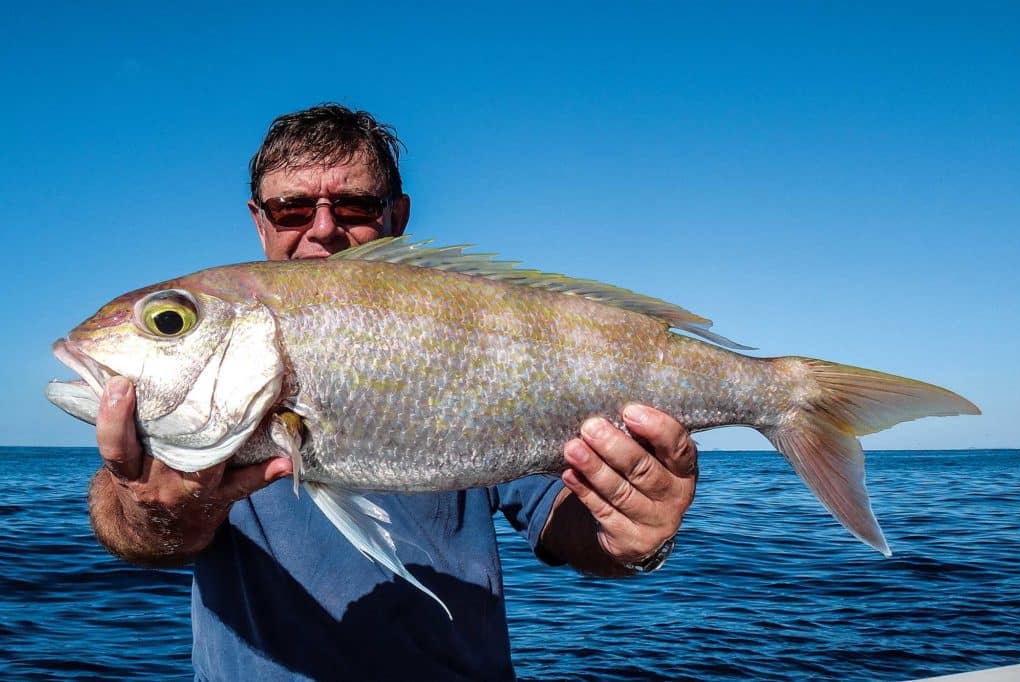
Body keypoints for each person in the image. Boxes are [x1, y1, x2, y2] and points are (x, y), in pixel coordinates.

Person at [89, 104, 699, 680]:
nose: (322, 230)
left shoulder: (463, 335)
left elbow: (567, 525)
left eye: (353, 206)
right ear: (259, 220)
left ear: (396, 217)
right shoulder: (199, 381)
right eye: (292, 210)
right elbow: (126, 527)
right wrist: (152, 508)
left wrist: (632, 539)